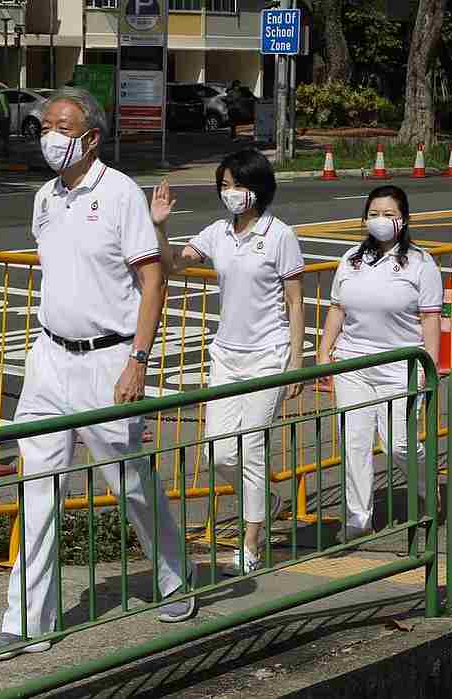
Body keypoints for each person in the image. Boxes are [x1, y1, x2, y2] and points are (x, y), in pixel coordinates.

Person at [0, 88, 197, 662]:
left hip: (111, 359)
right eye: (45, 125)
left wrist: (138, 361)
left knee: (129, 484)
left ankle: (176, 574)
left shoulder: (120, 193)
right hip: (50, 359)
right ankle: (26, 621)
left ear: (91, 136)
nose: (50, 135)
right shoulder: (44, 198)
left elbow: (153, 281)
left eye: (62, 125)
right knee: (39, 487)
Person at [151, 148, 305, 575]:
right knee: (219, 452)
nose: (230, 193)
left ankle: (251, 542)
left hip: (269, 355)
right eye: (224, 185)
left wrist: (296, 360)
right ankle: (269, 501)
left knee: (251, 447)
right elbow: (173, 266)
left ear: (257, 187)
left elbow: (295, 301)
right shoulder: (218, 232)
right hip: (226, 355)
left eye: (237, 184)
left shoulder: (280, 235)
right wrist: (160, 228)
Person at [316, 185, 442, 541]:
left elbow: (430, 319)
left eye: (389, 214)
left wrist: (428, 367)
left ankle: (426, 489)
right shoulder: (352, 258)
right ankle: (359, 518)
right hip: (353, 363)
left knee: (398, 443)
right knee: (353, 441)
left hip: (401, 365)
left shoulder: (420, 263)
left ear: (404, 220)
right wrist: (325, 351)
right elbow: (337, 308)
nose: (380, 220)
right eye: (374, 213)